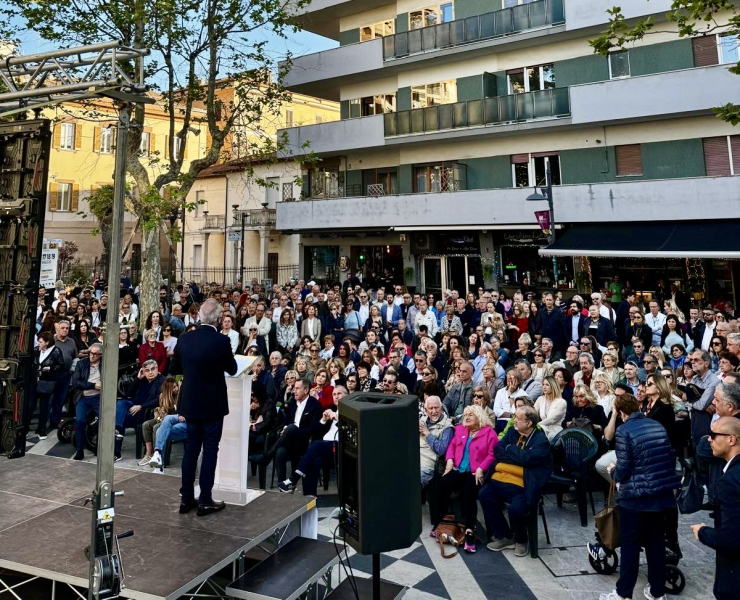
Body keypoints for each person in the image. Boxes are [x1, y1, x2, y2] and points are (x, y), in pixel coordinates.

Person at [597, 394, 680, 600]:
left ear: (621, 412)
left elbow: (624, 468)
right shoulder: (656, 425)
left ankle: (623, 593)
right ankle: (657, 592)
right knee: (656, 543)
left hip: (635, 497)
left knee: (630, 545)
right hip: (660, 494)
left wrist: (613, 471)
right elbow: (668, 456)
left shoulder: (624, 430)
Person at [169, 298, 238, 516]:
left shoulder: (185, 338)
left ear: (199, 316)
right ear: (218, 319)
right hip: (213, 404)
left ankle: (186, 498)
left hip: (190, 401)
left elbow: (175, 368)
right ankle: (205, 499)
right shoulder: (221, 341)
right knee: (209, 450)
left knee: (191, 450)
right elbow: (233, 368)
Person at [480, 404, 552, 557]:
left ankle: (521, 540)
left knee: (516, 509)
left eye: (518, 418)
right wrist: (515, 454)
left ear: (529, 423)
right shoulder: (513, 432)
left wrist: (510, 450)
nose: (513, 421)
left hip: (523, 485)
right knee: (484, 494)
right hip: (501, 479)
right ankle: (505, 536)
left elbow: (527, 459)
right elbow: (498, 450)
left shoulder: (540, 441)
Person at [431, 405, 498, 553]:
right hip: (459, 469)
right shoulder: (461, 430)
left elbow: (492, 455)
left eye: (470, 415)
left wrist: (481, 468)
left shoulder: (489, 433)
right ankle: (439, 523)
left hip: (475, 472)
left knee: (469, 492)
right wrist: (449, 460)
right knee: (442, 485)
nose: (466, 417)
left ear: (479, 418)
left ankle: (469, 531)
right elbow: (452, 447)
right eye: (465, 414)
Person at [691, 417, 740, 600]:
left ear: (731, 439)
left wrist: (703, 532)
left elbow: (731, 537)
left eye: (713, 435)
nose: (709, 439)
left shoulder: (729, 481)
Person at [278, 385, 349, 495]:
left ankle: (293, 479)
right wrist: (323, 420)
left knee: (315, 445)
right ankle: (309, 497)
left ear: (346, 396)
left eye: (339, 394)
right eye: (334, 394)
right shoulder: (332, 408)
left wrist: (336, 417)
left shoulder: (350, 411)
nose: (336, 396)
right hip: (325, 447)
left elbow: (349, 431)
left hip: (339, 447)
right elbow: (317, 431)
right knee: (315, 461)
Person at [69, 342, 104, 460]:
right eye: (90, 353)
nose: (92, 356)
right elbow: (75, 382)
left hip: (98, 398)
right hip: (83, 397)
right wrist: (93, 385)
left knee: (104, 421)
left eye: (95, 354)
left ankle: (98, 447)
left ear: (100, 355)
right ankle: (80, 450)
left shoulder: (104, 365)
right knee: (80, 421)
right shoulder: (81, 364)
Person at [31, 332, 65, 440]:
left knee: (44, 406)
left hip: (47, 382)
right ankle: (26, 427)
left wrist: (50, 368)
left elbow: (61, 365)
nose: (38, 343)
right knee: (30, 404)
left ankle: (41, 429)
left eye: (41, 342)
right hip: (34, 381)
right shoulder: (36, 350)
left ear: (47, 342)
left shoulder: (55, 351)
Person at [418, 395, 455, 486]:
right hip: (413, 461)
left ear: (441, 408)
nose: (434, 411)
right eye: (431, 408)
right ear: (426, 410)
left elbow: (441, 450)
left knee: (411, 485)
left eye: (436, 408)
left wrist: (427, 434)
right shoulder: (422, 420)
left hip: (428, 466)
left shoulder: (447, 427)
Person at [533, 376, 568, 441]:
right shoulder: (540, 399)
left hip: (555, 432)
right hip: (543, 429)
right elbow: (532, 413)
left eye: (547, 385)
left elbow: (552, 419)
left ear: (553, 386)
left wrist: (536, 426)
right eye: (543, 384)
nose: (544, 387)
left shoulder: (561, 402)